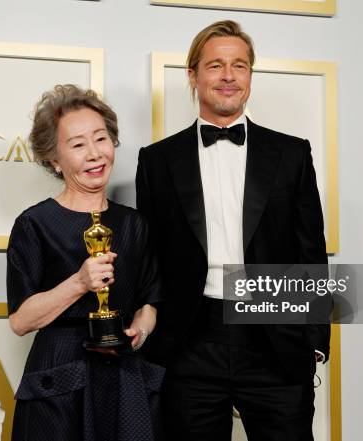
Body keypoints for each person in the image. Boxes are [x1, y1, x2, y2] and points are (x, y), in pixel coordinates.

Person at [136, 20, 329, 441]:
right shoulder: (156, 161)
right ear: (193, 75)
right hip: (191, 341)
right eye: (216, 65)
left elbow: (310, 250)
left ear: (250, 77)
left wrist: (313, 341)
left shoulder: (292, 154)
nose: (228, 76)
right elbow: (149, 258)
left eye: (239, 66)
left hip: (275, 335)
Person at [7, 84, 163, 441]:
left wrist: (141, 329)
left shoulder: (133, 223)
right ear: (54, 159)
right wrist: (78, 282)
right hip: (58, 381)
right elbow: (20, 320)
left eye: (101, 139)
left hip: (124, 376)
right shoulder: (34, 224)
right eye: (78, 145)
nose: (94, 154)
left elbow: (149, 301)